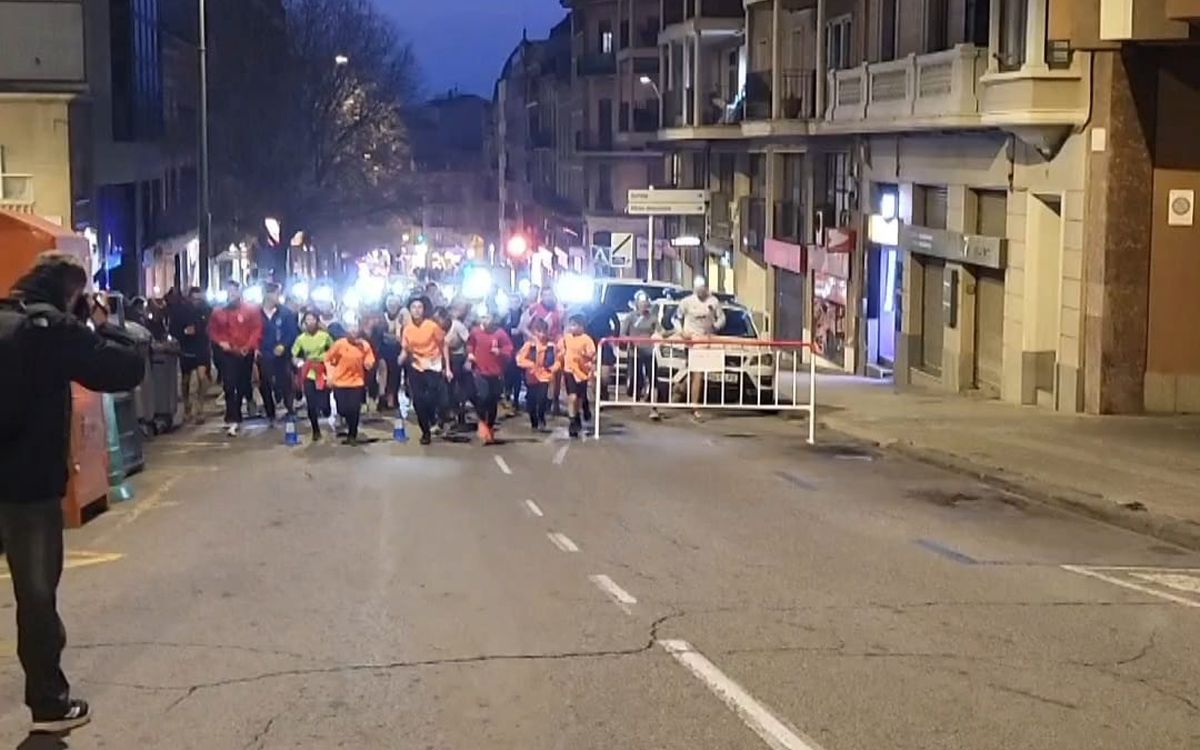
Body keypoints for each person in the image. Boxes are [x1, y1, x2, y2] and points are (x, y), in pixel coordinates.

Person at [0, 252, 144, 734]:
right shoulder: (52, 330)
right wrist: (101, 323)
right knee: (36, 596)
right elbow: (124, 369)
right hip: (27, 486)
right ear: (72, 291)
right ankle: (49, 701)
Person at [208, 279, 264, 436]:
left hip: (245, 353)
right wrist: (221, 343)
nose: (231, 295)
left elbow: (256, 329)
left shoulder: (250, 310)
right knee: (229, 384)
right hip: (228, 354)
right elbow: (213, 331)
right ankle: (233, 416)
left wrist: (249, 346)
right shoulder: (218, 312)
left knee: (242, 384)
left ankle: (239, 409)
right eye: (229, 292)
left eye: (234, 291)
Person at [672, 276, 726, 421]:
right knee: (695, 373)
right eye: (698, 290)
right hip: (691, 341)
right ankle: (689, 399)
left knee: (697, 373)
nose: (700, 292)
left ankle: (688, 397)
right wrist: (681, 332)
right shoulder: (687, 302)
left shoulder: (713, 302)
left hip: (705, 341)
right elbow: (675, 318)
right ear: (694, 289)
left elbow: (722, 318)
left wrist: (715, 326)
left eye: (703, 289)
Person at [400, 296, 450, 445]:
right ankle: (425, 432)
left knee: (433, 399)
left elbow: (444, 344)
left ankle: (436, 419)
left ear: (424, 310)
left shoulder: (432, 326)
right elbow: (405, 348)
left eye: (419, 307)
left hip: (433, 366)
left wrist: (447, 367)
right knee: (419, 401)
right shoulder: (407, 329)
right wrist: (402, 357)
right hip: (416, 367)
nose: (416, 310)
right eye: (413, 307)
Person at [466, 307, 514, 445]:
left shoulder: (500, 333)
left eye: (488, 317)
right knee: (482, 397)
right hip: (480, 371)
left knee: (493, 400)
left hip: (496, 372)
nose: (485, 321)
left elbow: (509, 349)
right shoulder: (475, 332)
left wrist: (499, 351)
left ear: (493, 319)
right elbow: (470, 343)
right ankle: (482, 422)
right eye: (482, 318)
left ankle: (490, 426)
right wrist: (470, 353)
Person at [324, 320, 376, 446]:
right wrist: (330, 375)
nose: (353, 332)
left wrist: (369, 363)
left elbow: (370, 358)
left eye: (355, 329)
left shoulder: (364, 345)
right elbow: (328, 359)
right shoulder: (339, 344)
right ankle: (345, 422)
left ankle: (353, 434)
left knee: (354, 408)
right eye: (350, 329)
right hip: (340, 382)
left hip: (356, 382)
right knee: (343, 408)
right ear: (346, 331)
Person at [258, 282, 299, 425]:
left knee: (286, 382)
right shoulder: (257, 314)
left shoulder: (286, 313)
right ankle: (270, 412)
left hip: (282, 355)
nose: (276, 297)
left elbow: (292, 333)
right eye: (274, 294)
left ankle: (290, 409)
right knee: (265, 384)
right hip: (264, 354)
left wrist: (284, 345)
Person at [171, 286, 213, 424]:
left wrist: (200, 329)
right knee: (185, 380)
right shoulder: (181, 311)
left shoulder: (207, 309)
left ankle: (200, 407)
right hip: (187, 348)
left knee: (202, 377)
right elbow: (173, 328)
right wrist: (183, 332)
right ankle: (187, 406)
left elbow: (211, 327)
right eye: (194, 299)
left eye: (199, 299)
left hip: (202, 347)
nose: (197, 302)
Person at [292, 311, 335, 441]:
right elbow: (294, 354)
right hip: (309, 370)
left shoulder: (324, 336)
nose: (310, 323)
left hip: (323, 370)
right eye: (307, 320)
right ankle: (315, 430)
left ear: (317, 321)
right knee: (311, 401)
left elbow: (333, 351)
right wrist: (298, 362)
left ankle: (326, 410)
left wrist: (329, 362)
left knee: (324, 402)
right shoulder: (301, 339)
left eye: (312, 320)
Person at [620, 291, 662, 419]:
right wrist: (630, 340)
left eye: (646, 303)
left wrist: (666, 333)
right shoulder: (630, 317)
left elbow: (660, 331)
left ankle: (654, 407)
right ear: (637, 304)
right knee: (636, 379)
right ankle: (636, 399)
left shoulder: (653, 317)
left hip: (649, 351)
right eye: (641, 303)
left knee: (653, 378)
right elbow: (622, 334)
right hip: (635, 353)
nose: (644, 305)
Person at [560, 313, 597, 438]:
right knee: (572, 397)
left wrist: (586, 356)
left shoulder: (587, 339)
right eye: (571, 325)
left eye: (575, 325)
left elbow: (593, 354)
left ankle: (579, 414)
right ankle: (572, 421)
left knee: (580, 398)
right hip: (569, 370)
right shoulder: (566, 337)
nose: (572, 328)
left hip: (581, 373)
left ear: (582, 326)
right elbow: (560, 348)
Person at [516, 317, 556, 432]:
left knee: (542, 399)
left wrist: (554, 368)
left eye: (544, 331)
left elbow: (558, 359)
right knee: (531, 402)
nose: (542, 335)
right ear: (534, 332)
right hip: (531, 377)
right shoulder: (529, 345)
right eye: (539, 331)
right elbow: (519, 359)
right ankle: (534, 420)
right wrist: (531, 365)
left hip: (545, 376)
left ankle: (541, 418)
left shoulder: (551, 346)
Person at [445, 302, 473, 429]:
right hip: (446, 358)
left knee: (458, 389)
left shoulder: (458, 326)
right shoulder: (444, 325)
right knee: (448, 388)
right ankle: (450, 412)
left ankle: (460, 415)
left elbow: (469, 341)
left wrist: (469, 359)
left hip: (458, 358)